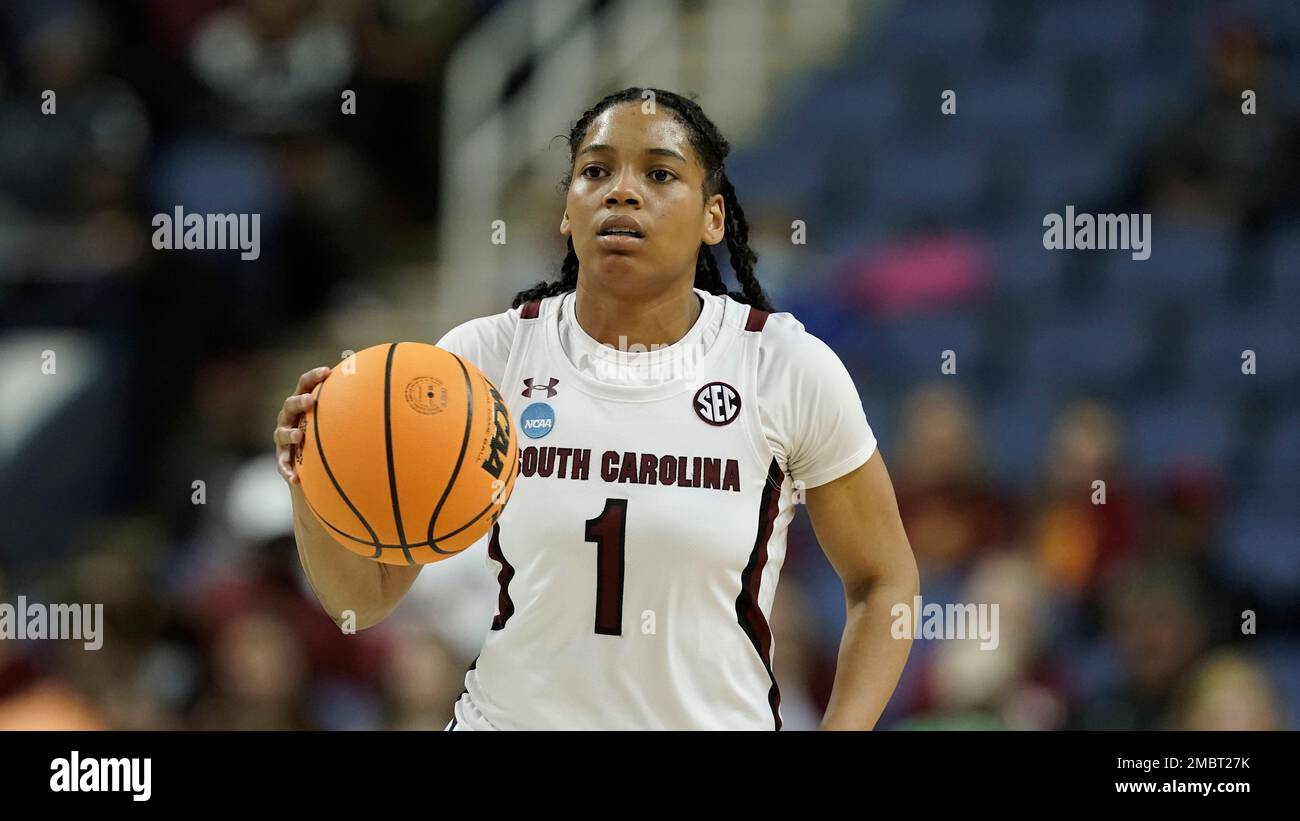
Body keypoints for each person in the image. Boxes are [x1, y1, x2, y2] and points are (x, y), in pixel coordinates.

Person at [274, 88, 918, 730]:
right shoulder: (480, 362)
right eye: (595, 171)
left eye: (660, 174)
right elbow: (363, 599)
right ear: (566, 210)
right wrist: (314, 472)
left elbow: (885, 582)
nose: (622, 192)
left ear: (713, 218)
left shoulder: (785, 367)